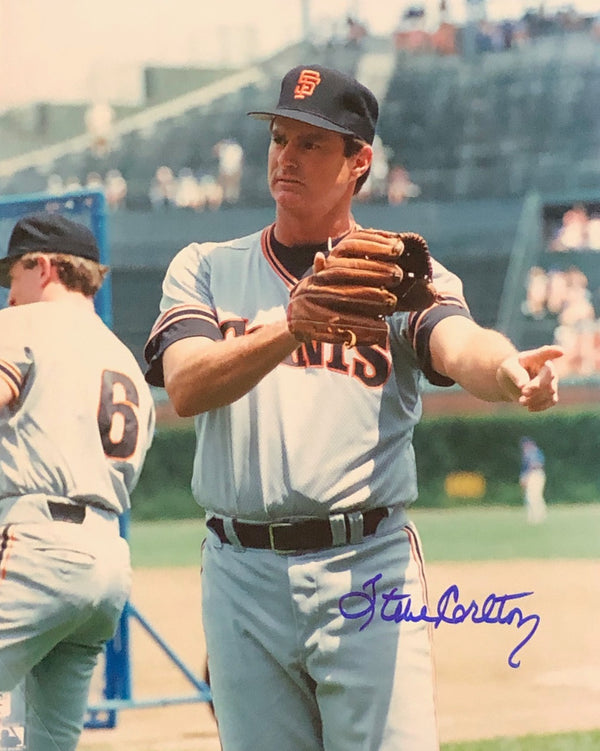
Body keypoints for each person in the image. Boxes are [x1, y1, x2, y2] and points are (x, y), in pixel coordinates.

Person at [143, 64, 562, 751]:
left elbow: (459, 343)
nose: (286, 156)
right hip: (240, 570)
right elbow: (185, 385)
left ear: (357, 161)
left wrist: (509, 372)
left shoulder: (394, 272)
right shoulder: (206, 266)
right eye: (280, 137)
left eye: (312, 143)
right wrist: (293, 324)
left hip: (366, 564)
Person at [0, 212, 155, 751]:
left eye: (11, 278)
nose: (9, 295)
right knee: (48, 741)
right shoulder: (123, 359)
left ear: (43, 268)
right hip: (107, 566)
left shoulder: (22, 325)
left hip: (37, 547)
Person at [519, 437, 548, 524]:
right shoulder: (527, 454)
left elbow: (537, 465)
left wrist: (526, 476)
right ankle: (533, 516)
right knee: (530, 496)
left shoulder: (535, 453)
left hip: (536, 475)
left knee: (534, 496)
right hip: (530, 475)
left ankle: (539, 515)